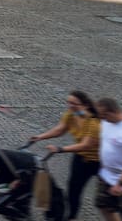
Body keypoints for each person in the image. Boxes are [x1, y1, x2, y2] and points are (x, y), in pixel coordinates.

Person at [33, 90, 102, 218]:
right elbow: (60, 129)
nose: (70, 106)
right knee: (73, 191)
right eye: (69, 102)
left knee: (110, 192)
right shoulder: (71, 114)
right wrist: (40, 137)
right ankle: (71, 217)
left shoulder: (94, 123)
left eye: (74, 103)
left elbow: (86, 145)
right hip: (82, 159)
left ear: (85, 105)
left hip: (102, 162)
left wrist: (60, 149)